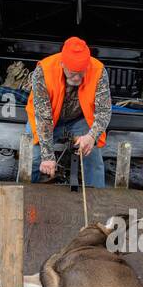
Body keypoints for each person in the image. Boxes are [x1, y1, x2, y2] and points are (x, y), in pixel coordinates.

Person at [25, 36, 112, 187]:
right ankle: (25, 194)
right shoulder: (43, 71)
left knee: (93, 157)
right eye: (72, 73)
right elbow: (43, 118)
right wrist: (48, 156)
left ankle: (97, 203)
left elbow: (104, 110)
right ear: (62, 64)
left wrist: (91, 137)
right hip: (46, 120)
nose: (77, 78)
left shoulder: (98, 70)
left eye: (81, 72)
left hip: (78, 120)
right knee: (34, 158)